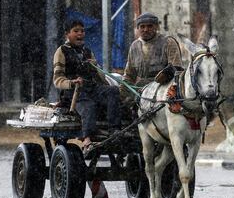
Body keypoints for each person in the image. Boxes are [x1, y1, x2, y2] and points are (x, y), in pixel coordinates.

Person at [53, 19, 121, 149]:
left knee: (112, 91)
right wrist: (71, 83)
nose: (80, 34)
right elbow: (57, 79)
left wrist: (95, 66)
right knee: (89, 106)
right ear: (67, 34)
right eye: (76, 31)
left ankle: (115, 131)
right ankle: (87, 139)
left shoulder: (87, 51)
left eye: (82, 31)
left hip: (91, 88)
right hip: (74, 93)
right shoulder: (61, 52)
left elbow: (100, 76)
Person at [122, 12, 183, 100]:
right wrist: (124, 91)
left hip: (164, 88)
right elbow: (129, 74)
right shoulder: (134, 46)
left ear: (156, 27)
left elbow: (177, 68)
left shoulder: (168, 42)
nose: (146, 29)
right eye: (142, 26)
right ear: (137, 28)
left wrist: (166, 74)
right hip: (141, 90)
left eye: (150, 26)